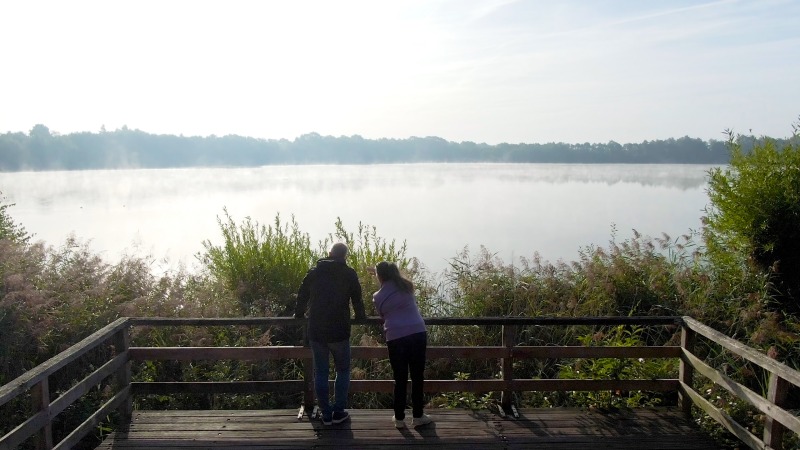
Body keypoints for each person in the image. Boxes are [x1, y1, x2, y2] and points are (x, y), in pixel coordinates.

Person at [294, 242, 366, 425]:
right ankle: (338, 411)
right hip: (339, 331)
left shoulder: (314, 272)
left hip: (316, 331)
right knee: (342, 370)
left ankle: (325, 413)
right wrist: (360, 317)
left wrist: (299, 314)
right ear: (344, 257)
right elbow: (357, 299)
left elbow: (302, 295)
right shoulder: (349, 274)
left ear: (329, 253)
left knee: (321, 372)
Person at [370, 261, 433, 429]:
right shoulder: (406, 286)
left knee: (400, 378)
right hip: (417, 332)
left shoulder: (377, 297)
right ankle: (418, 416)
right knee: (417, 376)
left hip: (396, 336)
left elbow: (383, 315)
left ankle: (399, 418)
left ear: (380, 276)